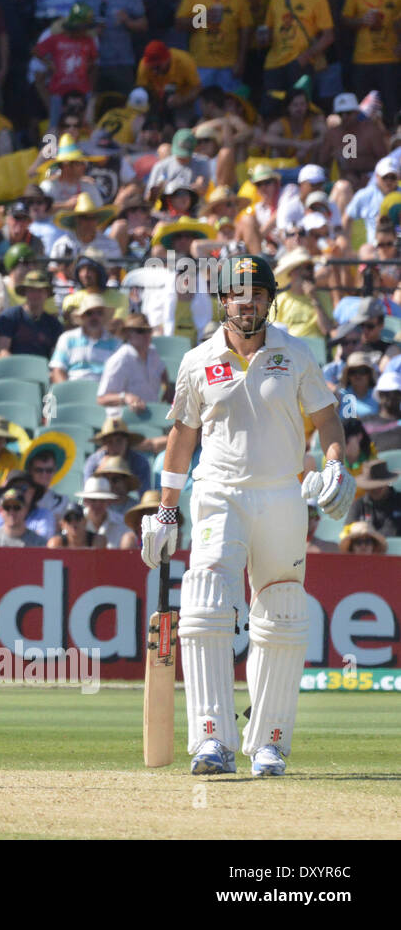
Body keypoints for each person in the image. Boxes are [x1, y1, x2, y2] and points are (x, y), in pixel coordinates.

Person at [140, 254, 349, 778]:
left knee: (281, 612)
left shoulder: (295, 353)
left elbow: (327, 420)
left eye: (257, 293)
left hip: (282, 495)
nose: (247, 301)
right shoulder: (197, 360)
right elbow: (182, 435)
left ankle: (268, 743)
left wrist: (335, 466)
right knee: (206, 599)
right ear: (222, 300)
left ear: (269, 299)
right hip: (218, 492)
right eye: (238, 293)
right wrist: (167, 511)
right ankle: (212, 740)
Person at [344, 460, 401, 536]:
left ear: (387, 483)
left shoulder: (399, 501)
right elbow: (347, 533)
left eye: (379, 486)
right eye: (372, 487)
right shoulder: (358, 505)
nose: (376, 489)